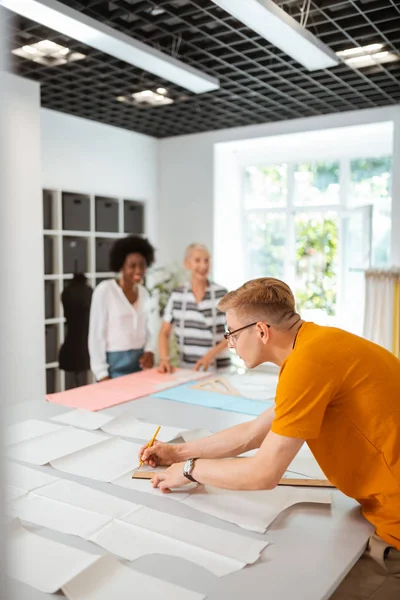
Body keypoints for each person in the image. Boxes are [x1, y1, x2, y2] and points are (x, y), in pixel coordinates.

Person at [139, 277, 400, 598]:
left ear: (261, 331)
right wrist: (177, 453)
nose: (230, 344)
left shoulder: (307, 364)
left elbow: (263, 473)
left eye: (231, 335)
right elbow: (254, 433)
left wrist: (190, 469)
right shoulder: (317, 344)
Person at [88, 235, 155, 381]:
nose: (138, 270)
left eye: (142, 265)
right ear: (121, 266)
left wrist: (150, 350)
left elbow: (148, 328)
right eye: (132, 266)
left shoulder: (143, 293)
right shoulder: (105, 290)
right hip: (114, 365)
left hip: (140, 365)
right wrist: (101, 373)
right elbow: (96, 335)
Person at [158, 243, 230, 373]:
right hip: (187, 369)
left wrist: (210, 356)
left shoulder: (221, 293)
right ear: (187, 263)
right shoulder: (177, 295)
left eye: (206, 260)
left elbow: (234, 333)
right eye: (197, 260)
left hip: (218, 369)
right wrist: (164, 359)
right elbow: (164, 332)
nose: (203, 266)